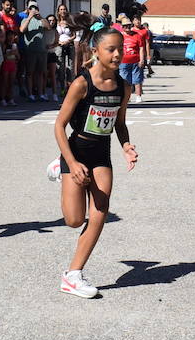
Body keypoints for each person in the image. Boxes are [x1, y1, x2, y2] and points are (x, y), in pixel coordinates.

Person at [52, 26, 139, 298]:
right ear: (96, 51)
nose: (117, 54)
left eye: (120, 49)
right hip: (75, 152)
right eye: (110, 49)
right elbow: (59, 125)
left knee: (100, 210)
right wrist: (71, 162)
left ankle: (73, 274)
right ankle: (59, 166)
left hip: (101, 153)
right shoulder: (81, 84)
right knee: (74, 220)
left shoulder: (123, 87)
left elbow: (120, 124)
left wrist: (126, 146)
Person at [115, 13, 147, 104]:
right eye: (125, 26)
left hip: (136, 61)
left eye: (129, 26)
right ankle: (126, 97)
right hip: (123, 61)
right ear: (122, 27)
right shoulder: (119, 36)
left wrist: (142, 59)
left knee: (137, 79)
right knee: (125, 81)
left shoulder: (137, 35)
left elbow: (141, 48)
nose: (127, 28)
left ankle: (138, 96)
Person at [21, 2, 49, 101]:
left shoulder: (41, 20)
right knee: (30, 73)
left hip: (42, 51)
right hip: (30, 50)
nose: (33, 9)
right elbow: (22, 30)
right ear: (28, 9)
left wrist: (40, 16)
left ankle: (41, 94)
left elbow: (48, 27)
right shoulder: (25, 20)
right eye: (31, 8)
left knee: (40, 73)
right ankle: (30, 94)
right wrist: (29, 17)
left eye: (35, 7)